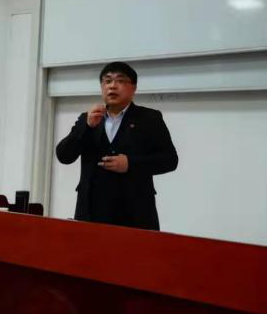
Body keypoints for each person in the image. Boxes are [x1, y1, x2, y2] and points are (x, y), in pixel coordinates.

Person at [55, 61, 178, 230]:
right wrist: (87, 127)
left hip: (135, 213)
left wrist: (130, 164)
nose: (112, 86)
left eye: (120, 80)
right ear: (102, 87)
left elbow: (170, 160)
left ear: (133, 88)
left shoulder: (149, 118)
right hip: (91, 212)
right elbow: (64, 156)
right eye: (107, 81)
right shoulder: (88, 118)